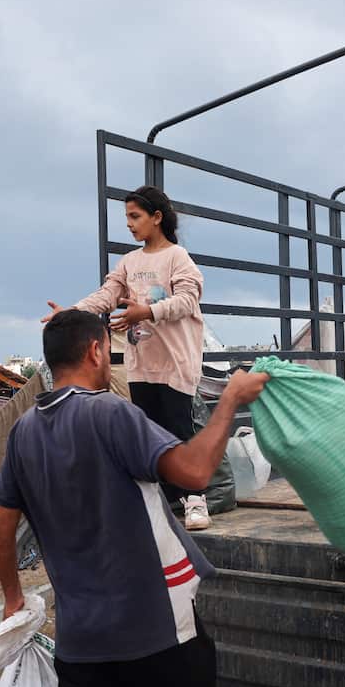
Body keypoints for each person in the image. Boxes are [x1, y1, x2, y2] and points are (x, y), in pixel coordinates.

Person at [0, 310, 268, 687]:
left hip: (81, 645)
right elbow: (194, 473)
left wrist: (13, 598)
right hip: (155, 633)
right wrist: (229, 400)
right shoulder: (110, 413)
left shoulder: (23, 432)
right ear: (95, 350)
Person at [44, 186, 212, 531]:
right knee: (148, 434)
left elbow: (187, 300)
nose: (129, 224)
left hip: (175, 363)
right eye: (127, 218)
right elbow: (107, 295)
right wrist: (71, 313)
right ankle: (164, 501)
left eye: (135, 216)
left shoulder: (177, 257)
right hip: (142, 364)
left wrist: (145, 312)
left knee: (179, 431)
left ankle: (196, 500)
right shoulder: (130, 262)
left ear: (156, 217)